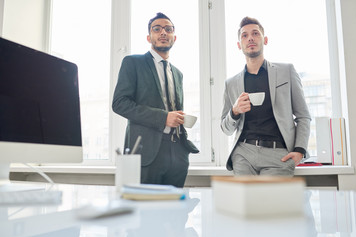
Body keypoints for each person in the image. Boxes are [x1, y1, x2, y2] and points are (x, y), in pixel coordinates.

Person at [112, 12, 199, 187]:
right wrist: (163, 117)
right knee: (146, 211)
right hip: (147, 153)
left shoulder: (178, 74)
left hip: (178, 153)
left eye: (168, 29)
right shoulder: (132, 62)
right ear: (148, 36)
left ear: (175, 37)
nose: (163, 33)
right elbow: (119, 103)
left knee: (175, 212)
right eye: (157, 29)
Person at [221, 16, 311, 176]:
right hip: (243, 154)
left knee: (272, 201)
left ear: (265, 40)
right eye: (244, 35)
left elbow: (303, 116)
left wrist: (299, 150)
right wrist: (234, 112)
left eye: (255, 33)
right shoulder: (231, 83)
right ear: (238, 45)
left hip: (279, 155)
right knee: (246, 202)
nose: (250, 38)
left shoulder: (287, 71)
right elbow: (226, 129)